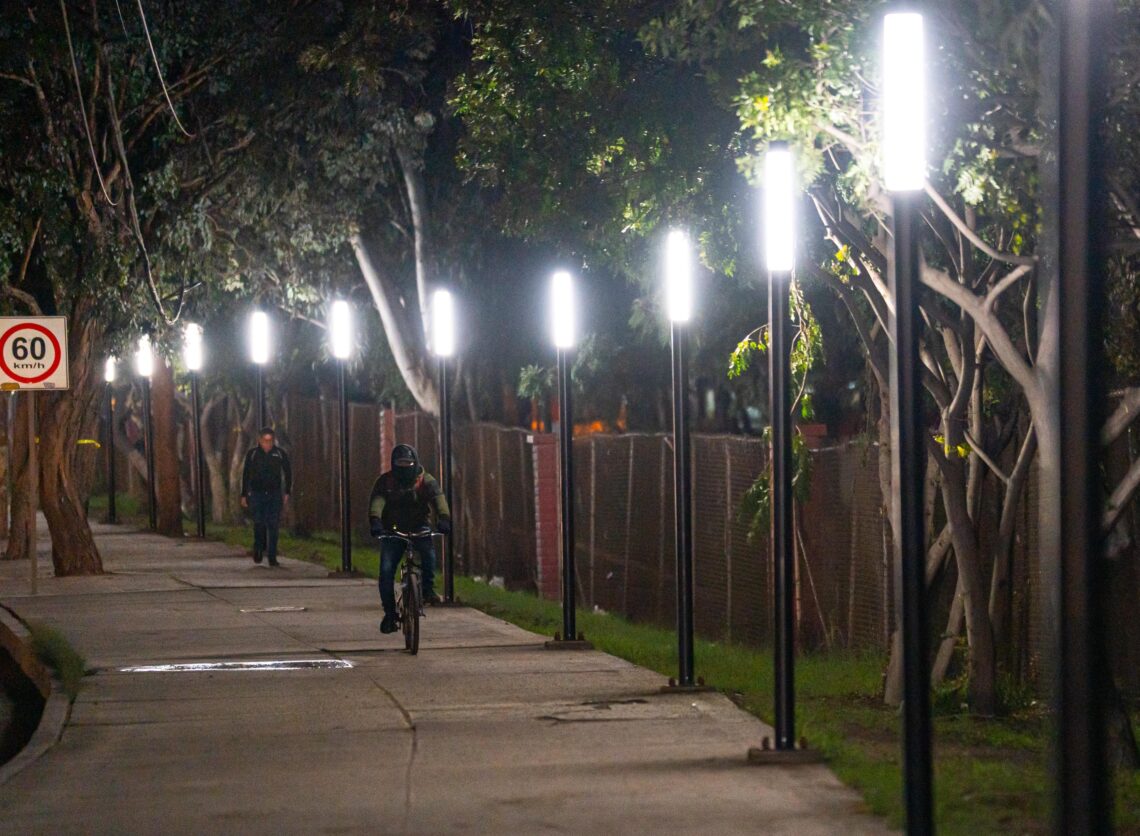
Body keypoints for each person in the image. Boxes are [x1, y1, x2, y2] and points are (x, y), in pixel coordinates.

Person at [368, 444, 451, 633]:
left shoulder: (425, 481)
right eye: (400, 464)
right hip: (393, 531)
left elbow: (438, 499)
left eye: (408, 464)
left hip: (419, 527)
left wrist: (444, 518)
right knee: (386, 570)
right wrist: (375, 521)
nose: (405, 468)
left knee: (429, 556)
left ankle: (428, 590)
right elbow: (377, 502)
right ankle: (390, 614)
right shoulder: (385, 482)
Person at [240, 427, 293, 567]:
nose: (268, 443)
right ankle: (258, 547)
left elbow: (287, 472)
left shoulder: (280, 454)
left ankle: (272, 556)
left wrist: (287, 491)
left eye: (270, 440)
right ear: (260, 440)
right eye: (265, 440)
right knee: (259, 522)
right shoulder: (252, 454)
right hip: (257, 494)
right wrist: (244, 494)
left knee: (273, 524)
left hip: (274, 494)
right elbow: (246, 474)